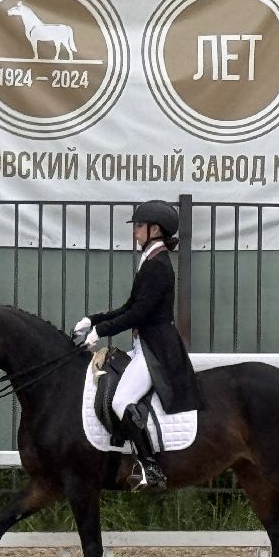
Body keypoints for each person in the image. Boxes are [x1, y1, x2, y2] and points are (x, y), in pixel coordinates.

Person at [74, 200, 202, 490]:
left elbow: (138, 314)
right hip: (145, 345)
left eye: (139, 227)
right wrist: (93, 320)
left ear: (154, 229)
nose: (135, 233)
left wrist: (100, 332)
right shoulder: (151, 261)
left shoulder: (158, 266)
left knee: (121, 401)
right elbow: (130, 306)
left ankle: (151, 467)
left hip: (157, 349)